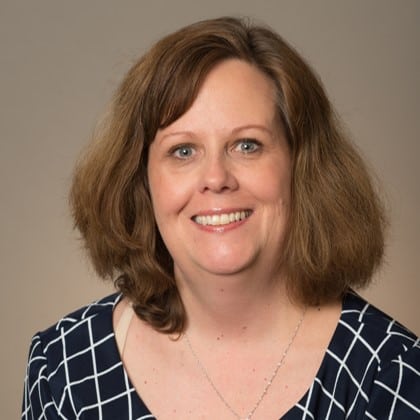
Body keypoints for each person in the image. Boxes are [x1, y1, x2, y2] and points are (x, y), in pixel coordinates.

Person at [22, 16, 419, 420]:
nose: (216, 178)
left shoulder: (389, 374)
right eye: (183, 151)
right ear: (141, 179)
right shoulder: (65, 369)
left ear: (302, 167)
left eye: (247, 145)